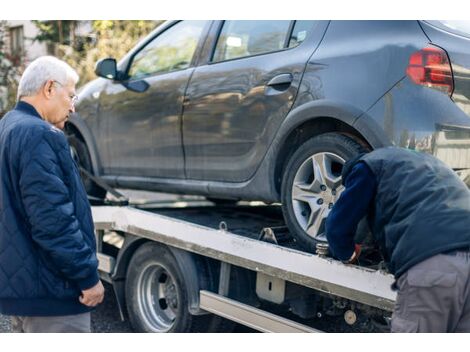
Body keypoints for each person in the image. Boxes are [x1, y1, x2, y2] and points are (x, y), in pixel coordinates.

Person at [0, 56, 104, 332]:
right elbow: (53, 221)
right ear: (49, 89)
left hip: (26, 292)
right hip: (53, 295)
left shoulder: (8, 126)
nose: (72, 106)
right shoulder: (39, 134)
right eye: (70, 95)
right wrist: (87, 277)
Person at [325, 147, 470, 333]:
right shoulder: (429, 164)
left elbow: (337, 228)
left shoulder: (366, 166)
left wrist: (349, 254)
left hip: (433, 264)